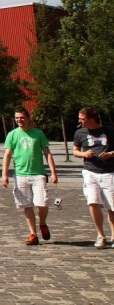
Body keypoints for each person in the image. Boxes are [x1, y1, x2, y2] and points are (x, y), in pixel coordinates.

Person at [1, 106, 58, 245]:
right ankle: (33, 234)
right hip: (20, 174)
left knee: (42, 203)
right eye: (17, 118)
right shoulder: (12, 135)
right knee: (26, 204)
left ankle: (42, 223)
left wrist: (53, 172)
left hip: (38, 174)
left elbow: (47, 153)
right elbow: (7, 155)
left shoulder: (38, 134)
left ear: (28, 118)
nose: (19, 120)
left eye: (22, 117)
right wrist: (4, 174)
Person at [72, 106, 114, 249]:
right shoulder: (80, 133)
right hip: (90, 172)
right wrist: (84, 154)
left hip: (109, 172)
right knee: (93, 202)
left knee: (112, 205)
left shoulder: (108, 131)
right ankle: (100, 235)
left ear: (91, 119)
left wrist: (110, 154)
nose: (80, 121)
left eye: (82, 119)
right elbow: (75, 151)